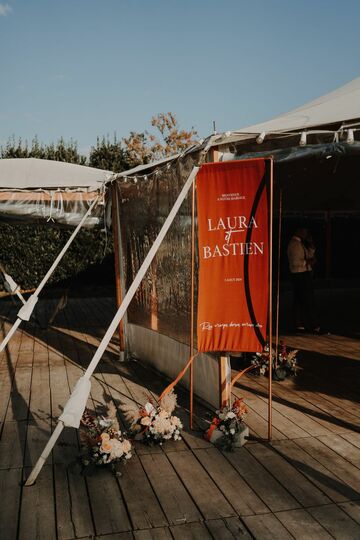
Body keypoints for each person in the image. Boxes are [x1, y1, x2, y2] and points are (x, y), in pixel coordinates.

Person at [287, 227, 321, 334]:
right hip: (300, 275)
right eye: (305, 232)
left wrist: (311, 246)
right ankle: (312, 325)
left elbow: (309, 255)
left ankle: (300, 324)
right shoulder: (294, 244)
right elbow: (295, 262)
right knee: (306, 300)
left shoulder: (300, 244)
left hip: (303, 274)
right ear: (299, 232)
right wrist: (308, 262)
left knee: (300, 300)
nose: (306, 234)